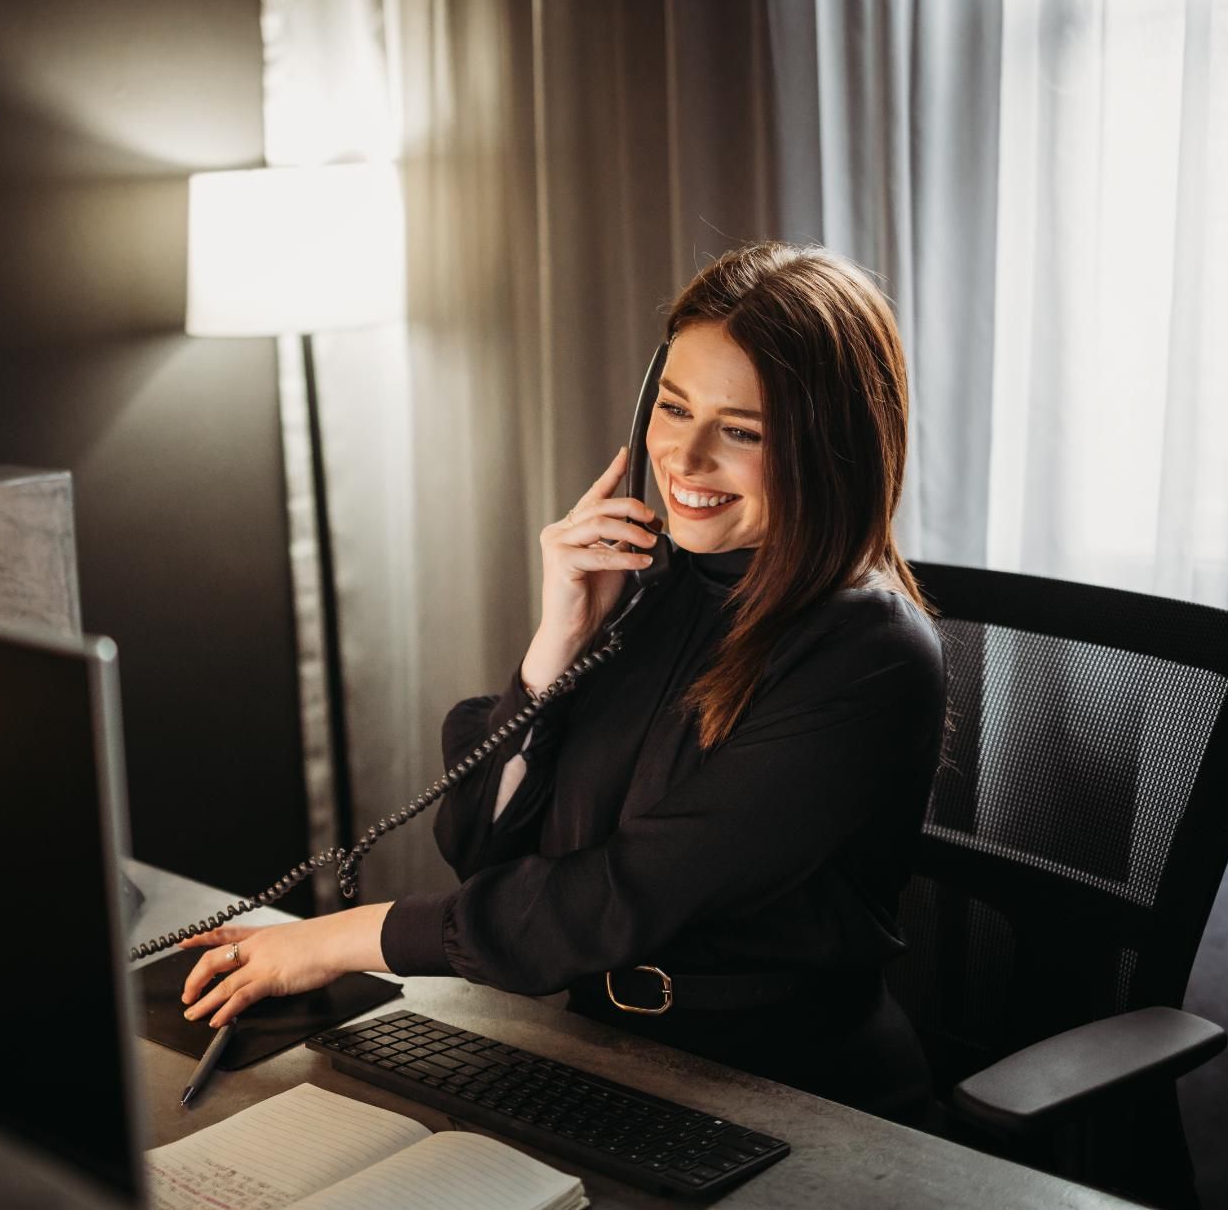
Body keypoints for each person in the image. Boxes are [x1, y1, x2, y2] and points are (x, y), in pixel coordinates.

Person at [178, 242, 946, 1121]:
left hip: (786, 1095)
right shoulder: (650, 588)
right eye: (671, 407)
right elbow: (478, 844)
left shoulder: (869, 654)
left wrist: (340, 941)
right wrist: (560, 632)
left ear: (830, 448)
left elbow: (618, 896)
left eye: (742, 430)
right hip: (594, 1049)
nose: (684, 459)